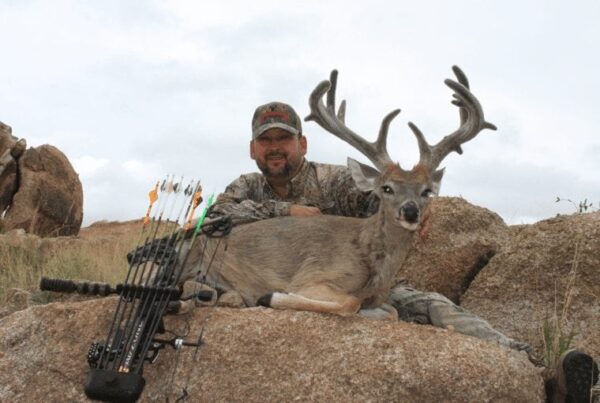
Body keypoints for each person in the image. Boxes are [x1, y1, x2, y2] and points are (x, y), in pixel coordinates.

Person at [209, 101, 598, 402]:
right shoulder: (244, 188)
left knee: (433, 306)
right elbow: (215, 220)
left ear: (302, 143)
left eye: (283, 140)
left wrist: (421, 206)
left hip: (364, 274)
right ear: (253, 149)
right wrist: (285, 211)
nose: (275, 149)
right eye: (266, 141)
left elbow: (400, 195)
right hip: (278, 276)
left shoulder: (340, 180)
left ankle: (544, 372)